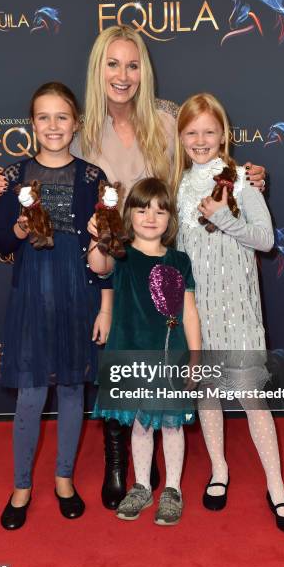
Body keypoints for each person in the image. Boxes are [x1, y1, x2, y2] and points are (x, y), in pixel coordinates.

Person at [0, 24, 267, 510]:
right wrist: (6, 178)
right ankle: (120, 456)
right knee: (116, 356)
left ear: (144, 71)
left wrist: (245, 174)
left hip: (162, 258)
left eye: (132, 64)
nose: (123, 74)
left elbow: (206, 157)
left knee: (161, 349)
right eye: (113, 64)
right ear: (99, 69)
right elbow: (47, 163)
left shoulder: (165, 118)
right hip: (107, 263)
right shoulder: (81, 125)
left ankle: (157, 444)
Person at [173, 93, 284, 532]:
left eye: (209, 131)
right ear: (181, 136)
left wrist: (224, 217)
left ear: (223, 134)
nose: (201, 140)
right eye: (192, 132)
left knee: (252, 398)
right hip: (200, 311)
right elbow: (177, 252)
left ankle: (277, 487)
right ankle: (219, 471)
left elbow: (265, 240)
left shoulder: (244, 180)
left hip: (241, 310)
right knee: (208, 394)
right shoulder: (179, 187)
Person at [0, 82, 112, 530]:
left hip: (75, 289)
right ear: (32, 124)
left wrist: (103, 305)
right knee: (30, 392)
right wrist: (21, 229)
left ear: (76, 122)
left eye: (62, 117)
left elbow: (105, 247)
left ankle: (64, 478)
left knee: (70, 390)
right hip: (31, 292)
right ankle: (21, 484)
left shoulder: (92, 177)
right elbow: (1, 241)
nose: (53, 126)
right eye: (44, 117)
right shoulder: (12, 176)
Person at [87, 178, 201, 525]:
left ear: (170, 218)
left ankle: (173, 489)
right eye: (142, 209)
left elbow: (189, 311)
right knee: (138, 425)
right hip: (128, 355)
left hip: (170, 356)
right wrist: (98, 236)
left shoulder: (180, 260)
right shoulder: (120, 256)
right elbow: (97, 266)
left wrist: (196, 356)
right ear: (128, 214)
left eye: (160, 210)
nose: (151, 217)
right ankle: (140, 486)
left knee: (171, 427)